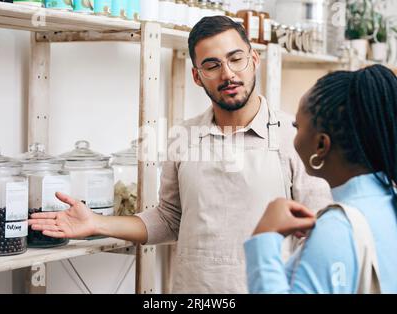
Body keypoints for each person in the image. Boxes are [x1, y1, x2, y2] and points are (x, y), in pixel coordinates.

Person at [29, 16, 331, 293]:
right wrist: (96, 223)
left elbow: (320, 232)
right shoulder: (183, 137)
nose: (228, 74)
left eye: (236, 59)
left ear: (253, 60)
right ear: (198, 77)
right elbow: (169, 219)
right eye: (212, 65)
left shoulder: (294, 137)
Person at [245, 64, 397, 294]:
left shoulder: (338, 229)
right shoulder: (396, 203)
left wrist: (265, 238)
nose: (294, 136)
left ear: (321, 145)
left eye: (297, 127)